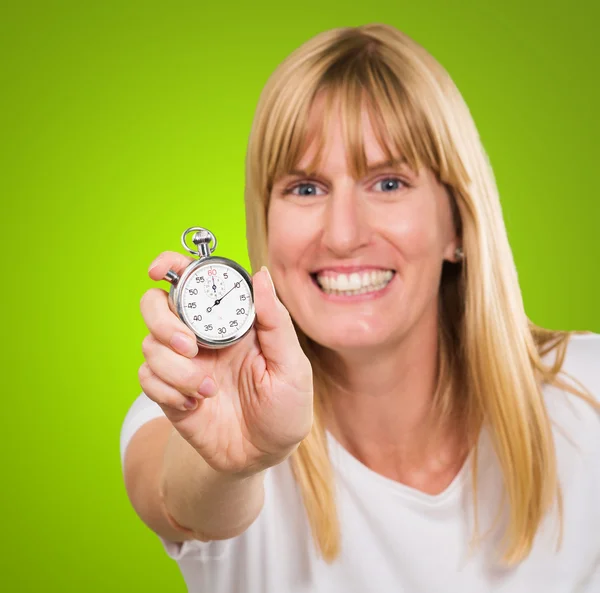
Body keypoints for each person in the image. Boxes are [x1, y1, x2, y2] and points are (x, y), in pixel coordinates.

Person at [119, 23, 600, 592]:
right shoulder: (201, 408)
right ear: (266, 227)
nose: (343, 234)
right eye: (305, 188)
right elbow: (180, 497)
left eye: (389, 183)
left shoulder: (588, 394)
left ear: (458, 225)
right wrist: (234, 463)